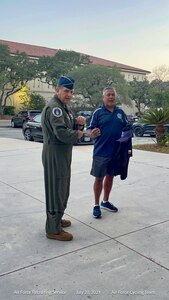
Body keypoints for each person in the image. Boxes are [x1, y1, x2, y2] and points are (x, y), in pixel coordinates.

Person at [41, 76, 85, 241]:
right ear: (57, 89)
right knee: (56, 189)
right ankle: (53, 229)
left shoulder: (64, 107)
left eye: (71, 92)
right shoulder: (55, 108)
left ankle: (57, 219)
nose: (69, 95)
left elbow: (68, 127)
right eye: (66, 91)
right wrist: (79, 134)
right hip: (55, 153)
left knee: (62, 187)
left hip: (62, 153)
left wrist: (78, 124)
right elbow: (61, 133)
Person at [87, 86, 131, 218]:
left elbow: (127, 127)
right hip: (101, 152)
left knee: (110, 177)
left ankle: (105, 201)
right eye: (108, 95)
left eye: (113, 95)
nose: (111, 97)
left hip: (115, 153)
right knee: (99, 178)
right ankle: (96, 205)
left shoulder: (120, 112)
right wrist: (92, 133)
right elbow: (89, 129)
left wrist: (127, 136)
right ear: (103, 97)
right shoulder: (98, 112)